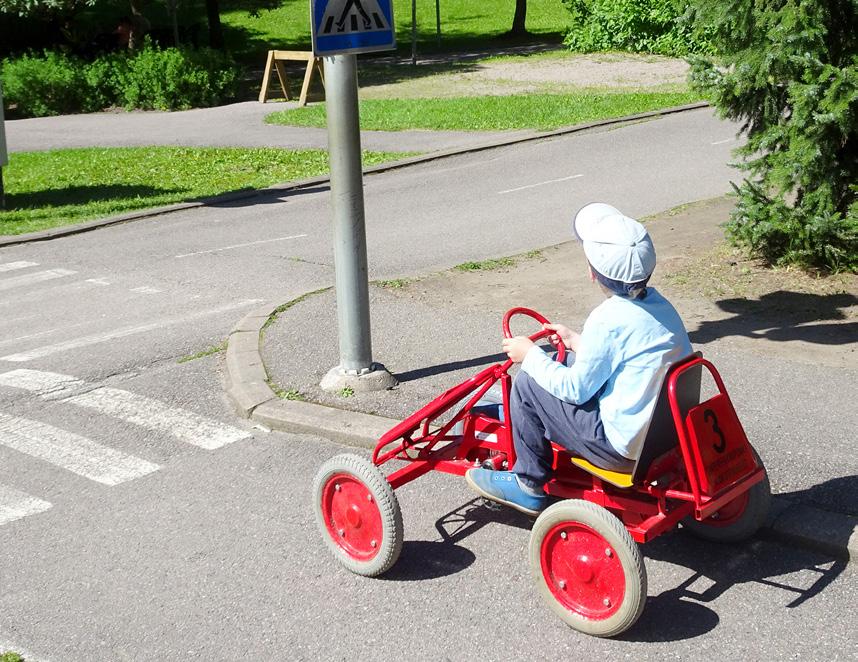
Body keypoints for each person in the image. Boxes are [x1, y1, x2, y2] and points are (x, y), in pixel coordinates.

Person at [465, 203, 693, 516]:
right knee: (559, 366)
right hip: (662, 434)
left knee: (529, 382)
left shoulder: (607, 318)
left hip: (618, 448)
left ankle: (527, 483)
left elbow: (575, 391)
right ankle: (528, 428)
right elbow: (624, 356)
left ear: (592, 272)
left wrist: (529, 355)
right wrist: (576, 341)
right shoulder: (661, 306)